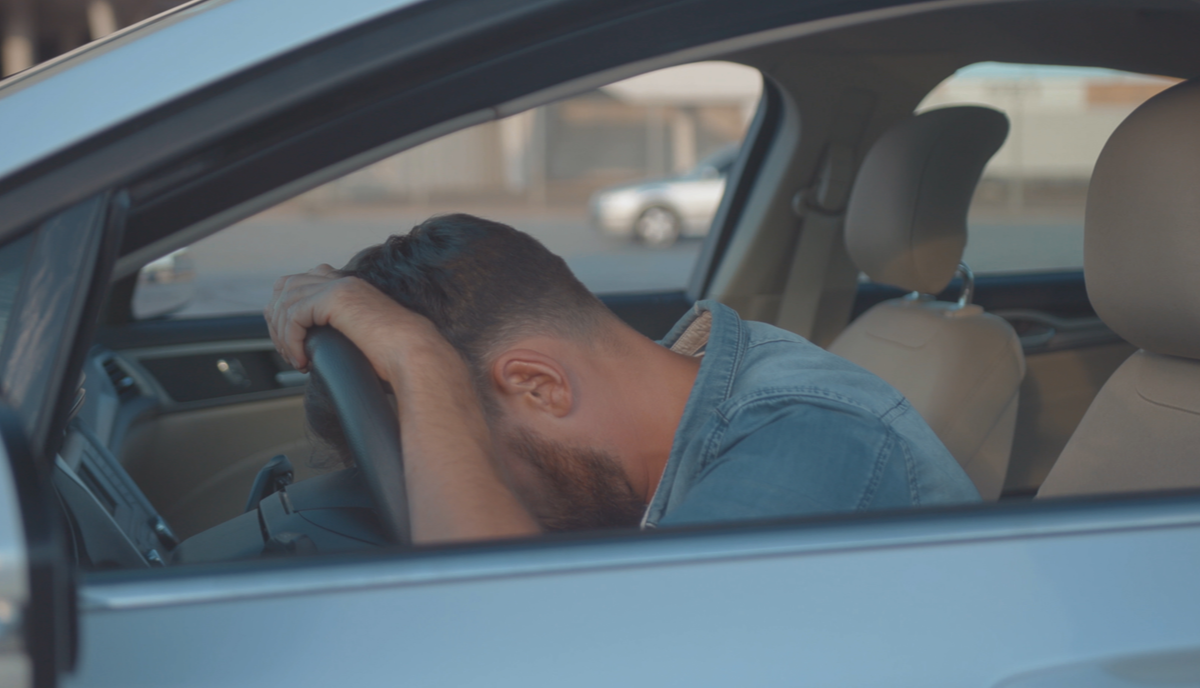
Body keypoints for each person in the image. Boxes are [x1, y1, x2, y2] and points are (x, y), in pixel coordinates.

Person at [266, 213, 978, 544]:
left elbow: (527, 658)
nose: (453, 482)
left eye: (462, 450)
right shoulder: (698, 421)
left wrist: (421, 364)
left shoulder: (813, 441)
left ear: (541, 386)